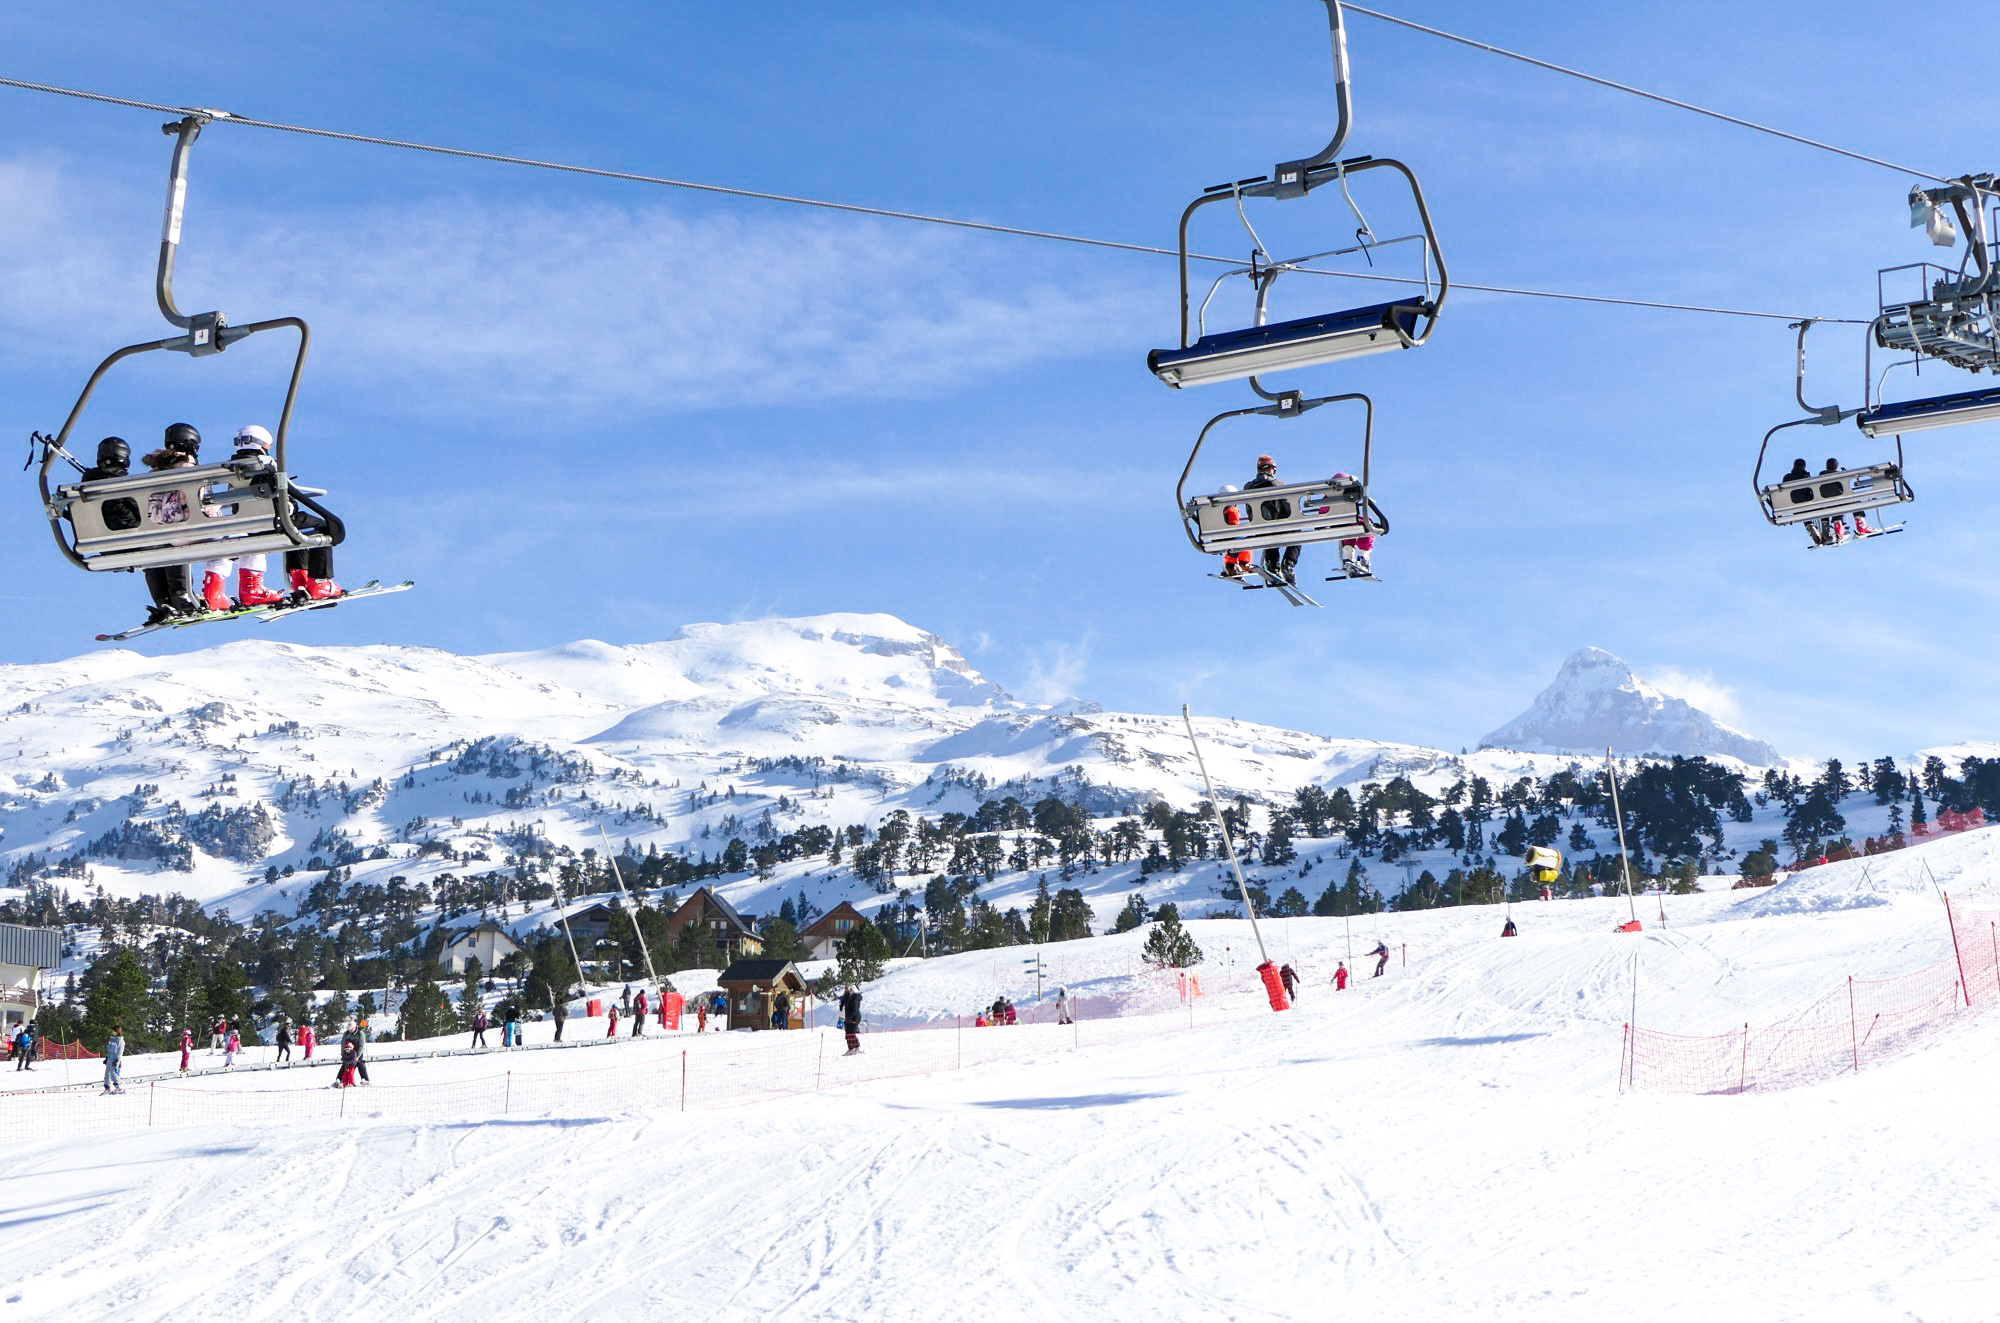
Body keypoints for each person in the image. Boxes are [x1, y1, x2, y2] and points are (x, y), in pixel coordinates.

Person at [197, 424, 290, 611]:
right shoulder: (266, 466)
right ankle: (251, 589)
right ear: (262, 445)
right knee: (254, 537)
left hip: (205, 530)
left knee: (230, 539)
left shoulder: (228, 469)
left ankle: (213, 592)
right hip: (261, 526)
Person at [138, 423, 206, 623]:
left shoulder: (156, 466)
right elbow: (195, 499)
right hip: (178, 528)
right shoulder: (187, 465)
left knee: (155, 547)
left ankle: (162, 601)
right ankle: (181, 594)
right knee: (179, 541)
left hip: (152, 530)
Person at [1246, 454, 1300, 584]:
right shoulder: (1278, 484)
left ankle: (1272, 563)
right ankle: (1288, 564)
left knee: (1268, 535)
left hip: (1259, 528)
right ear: (1272, 469)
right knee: (1296, 533)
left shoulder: (1248, 487)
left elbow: (1248, 508)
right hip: (1278, 525)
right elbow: (1288, 506)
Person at [1216, 485, 1254, 578]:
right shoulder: (1232, 509)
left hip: (1218, 538)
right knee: (1246, 542)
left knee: (1230, 548)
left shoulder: (1215, 510)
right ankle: (1244, 563)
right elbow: (1234, 524)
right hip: (1231, 536)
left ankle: (1230, 566)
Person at [839, 985, 863, 1056]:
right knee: (848, 1034)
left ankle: (853, 1048)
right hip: (848, 1018)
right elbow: (844, 1000)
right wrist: (842, 1004)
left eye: (849, 990)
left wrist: (851, 1018)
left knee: (851, 1034)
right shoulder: (849, 996)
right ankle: (853, 1048)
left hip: (854, 1018)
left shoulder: (855, 997)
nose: (848, 991)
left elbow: (854, 1009)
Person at [102, 1025, 125, 1095]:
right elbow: (110, 1050)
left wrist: (117, 1060)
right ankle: (107, 1088)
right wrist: (107, 1057)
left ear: (117, 1031)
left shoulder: (120, 1040)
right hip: (110, 1057)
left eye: (114, 1031)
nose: (112, 1032)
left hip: (115, 1058)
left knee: (113, 1073)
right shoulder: (112, 1039)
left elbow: (120, 1051)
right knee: (107, 1073)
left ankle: (118, 1087)